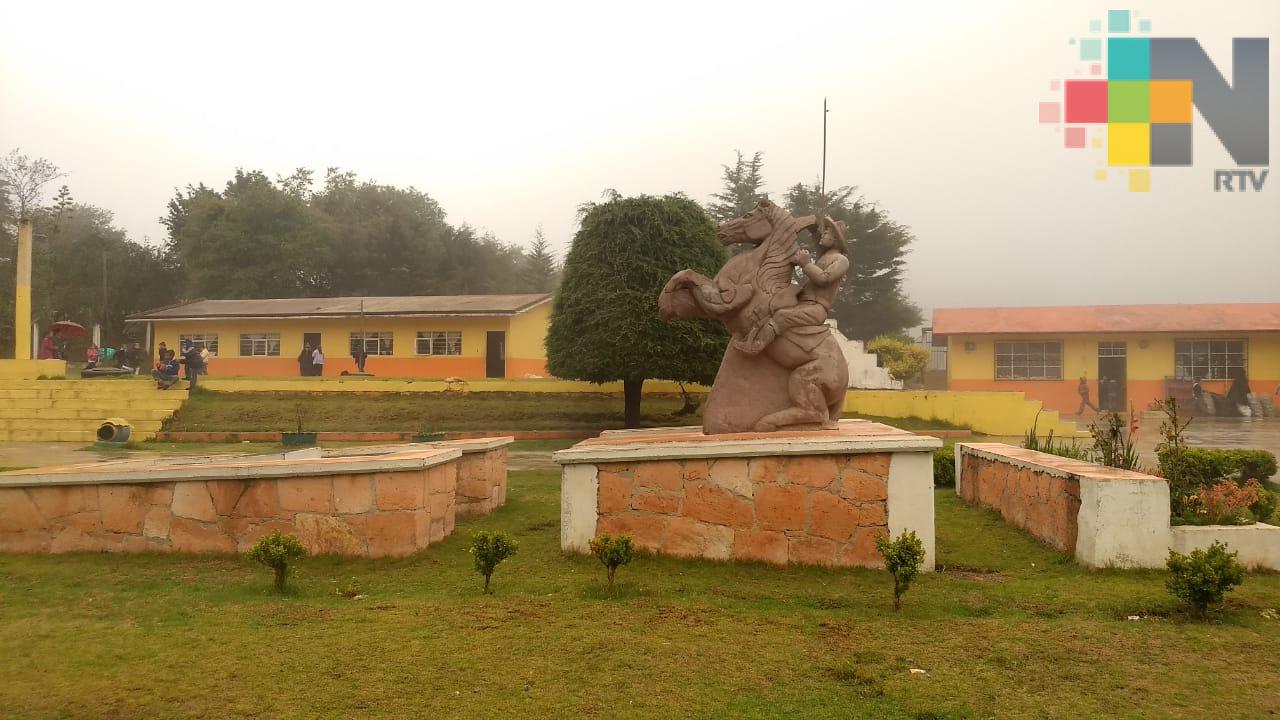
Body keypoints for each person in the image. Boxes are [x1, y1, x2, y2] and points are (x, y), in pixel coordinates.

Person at [734, 218, 850, 355]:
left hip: (816, 308)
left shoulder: (841, 260)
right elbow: (818, 244)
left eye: (828, 232)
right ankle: (750, 338)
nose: (824, 234)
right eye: (824, 231)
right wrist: (813, 229)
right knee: (772, 308)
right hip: (801, 302)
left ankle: (756, 346)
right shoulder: (824, 257)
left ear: (835, 239)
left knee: (782, 316)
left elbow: (824, 278)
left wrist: (805, 264)